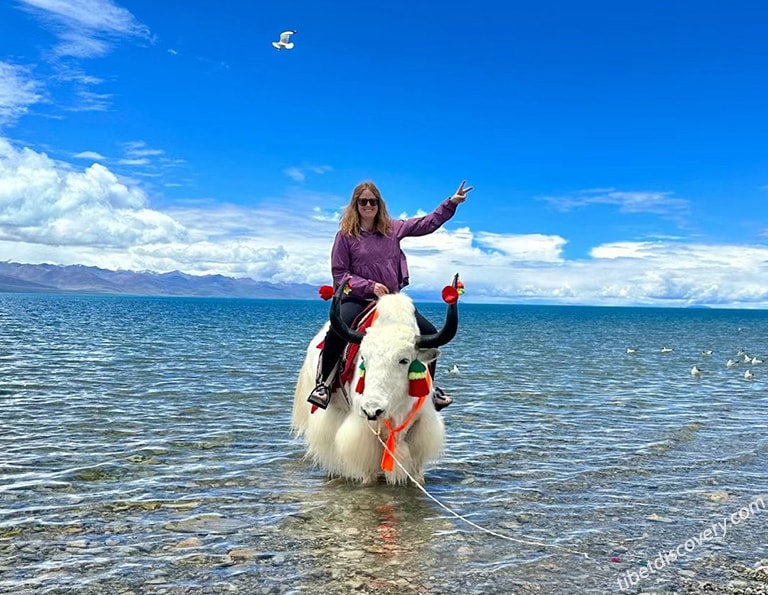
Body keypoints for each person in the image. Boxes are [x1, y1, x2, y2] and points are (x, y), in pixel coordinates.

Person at [308, 179, 473, 411]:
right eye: (363, 201)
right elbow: (340, 273)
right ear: (355, 204)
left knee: (430, 333)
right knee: (338, 329)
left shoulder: (392, 228)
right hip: (358, 298)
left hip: (392, 301)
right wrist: (369, 287)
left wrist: (451, 203)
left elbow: (425, 224)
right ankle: (323, 384)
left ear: (379, 204)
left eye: (372, 201)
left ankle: (430, 390)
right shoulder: (345, 236)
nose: (368, 205)